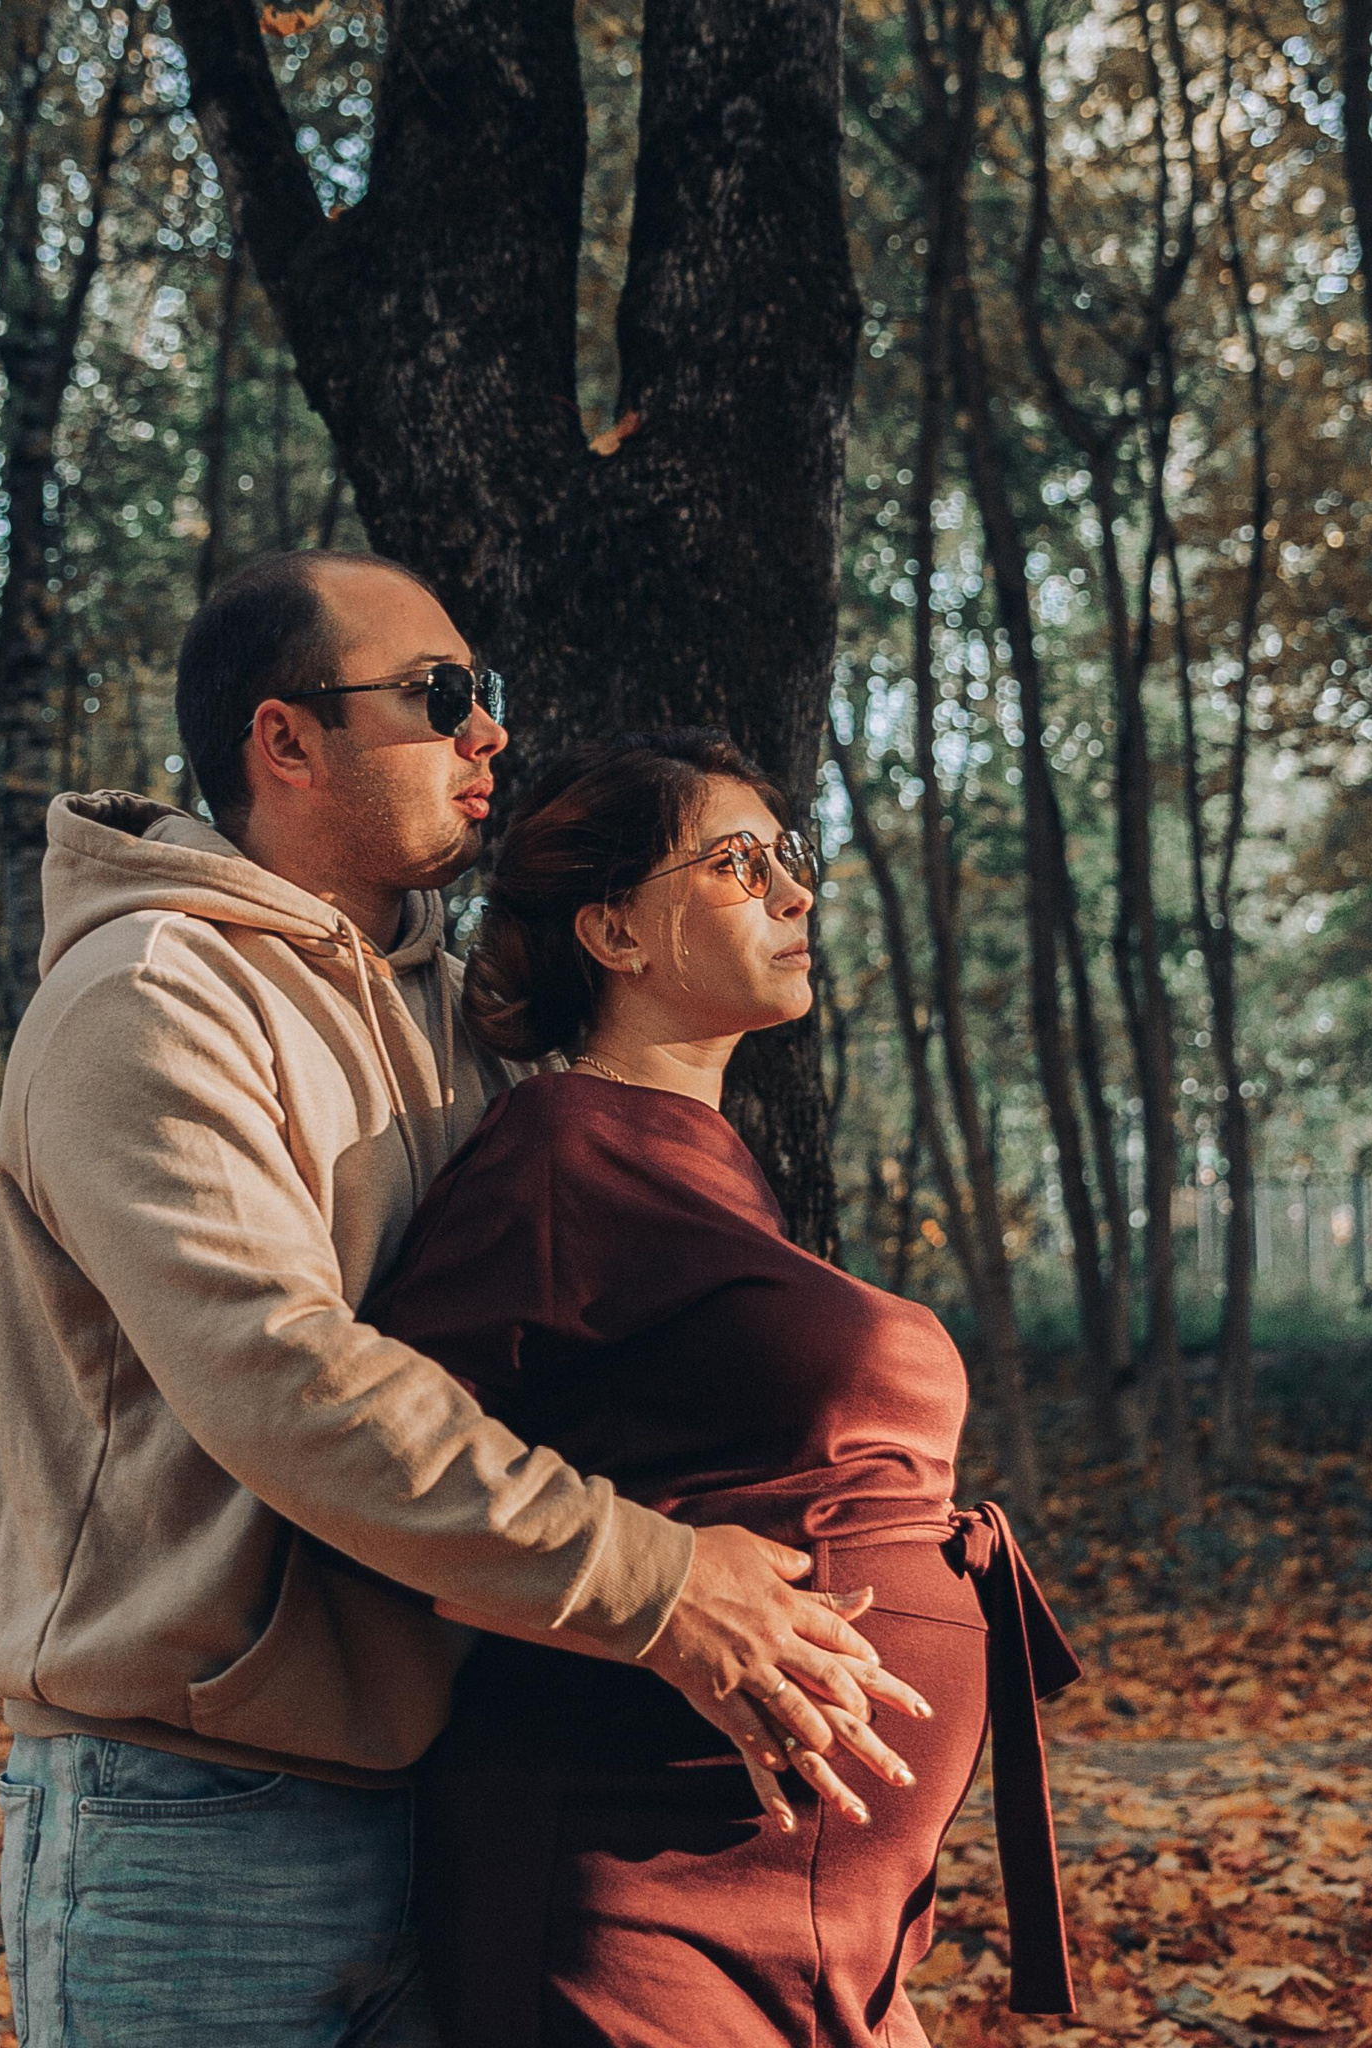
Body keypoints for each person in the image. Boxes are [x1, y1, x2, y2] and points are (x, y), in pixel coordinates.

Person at [0, 552, 920, 2048]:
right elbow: (285, 1378)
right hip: (196, 1808)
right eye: (441, 696)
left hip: (445, 1778)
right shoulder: (154, 996)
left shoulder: (451, 1018)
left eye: (491, 700)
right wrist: (659, 1585)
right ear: (284, 741)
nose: (489, 733)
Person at [366, 730, 1080, 2048]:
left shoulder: (701, 1160)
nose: (797, 895)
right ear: (617, 934)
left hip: (813, 1906)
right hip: (640, 1875)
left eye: (789, 863)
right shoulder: (553, 1149)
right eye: (739, 866)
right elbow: (398, 1494)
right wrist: (656, 1595)